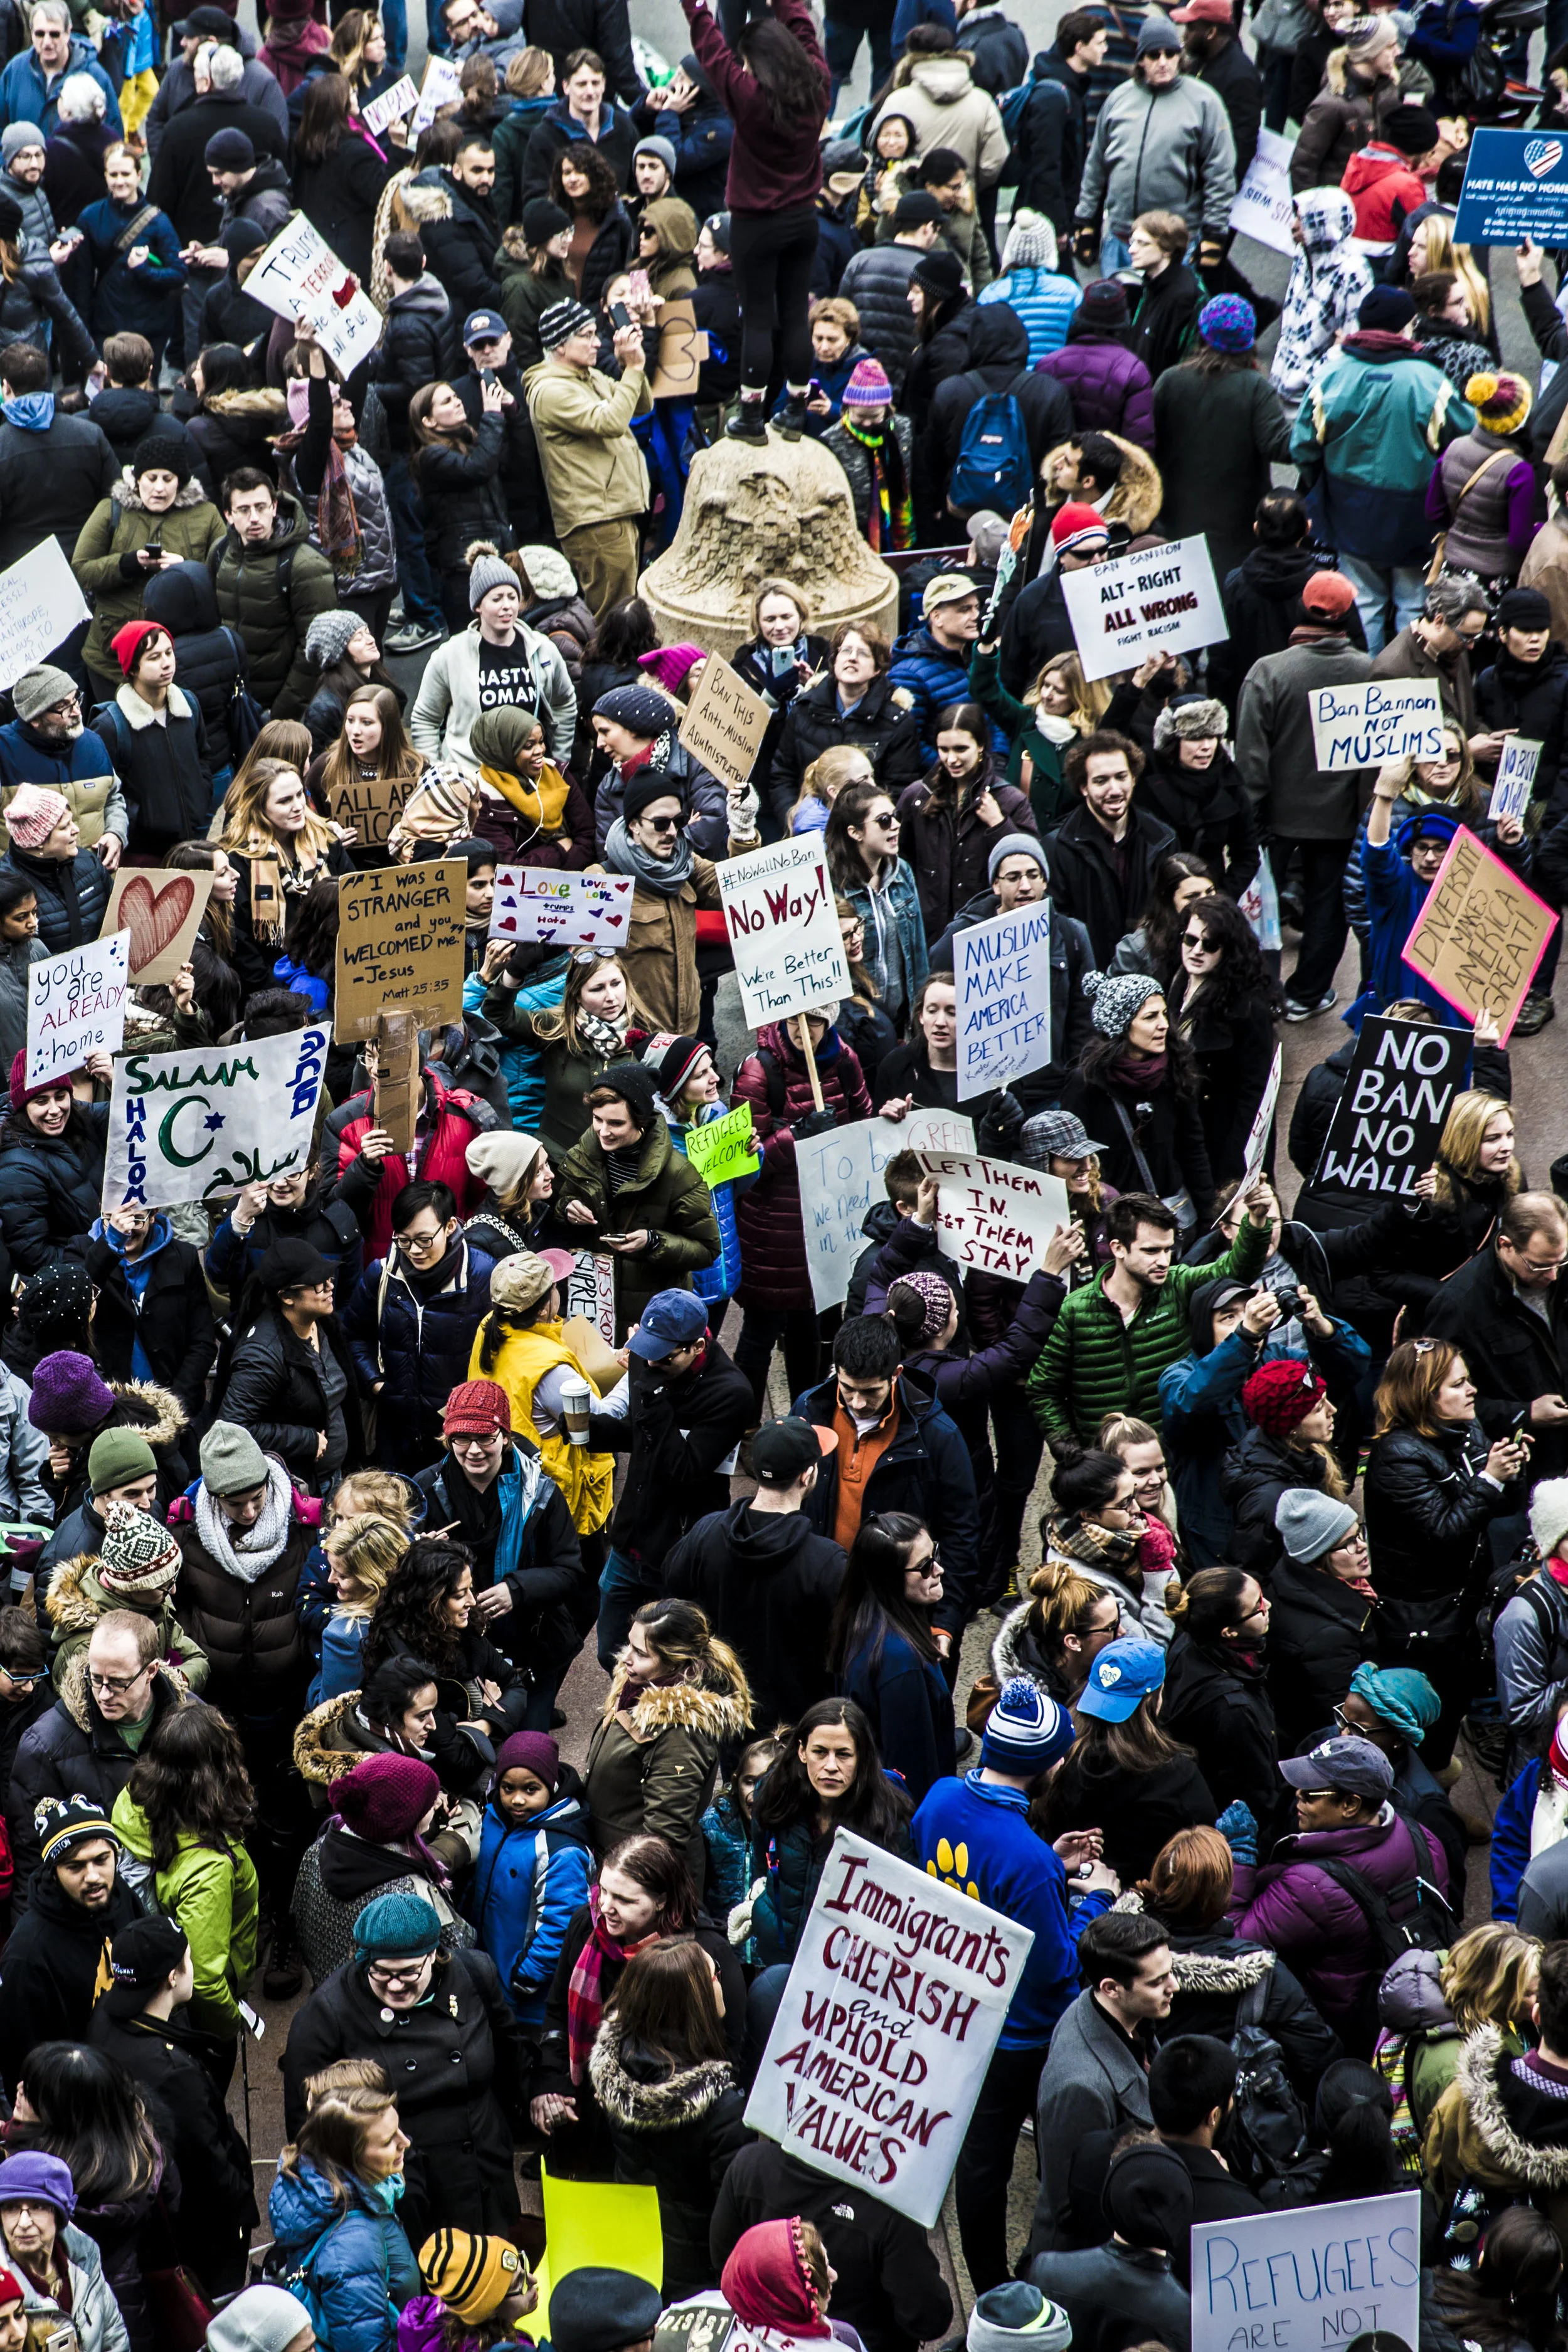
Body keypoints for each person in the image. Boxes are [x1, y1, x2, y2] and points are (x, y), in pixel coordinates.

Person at [282, 1892, 527, 2242]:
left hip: (483, 2173)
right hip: (404, 2190)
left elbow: (510, 2049)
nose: (395, 1985)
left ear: (435, 1955)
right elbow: (307, 2127)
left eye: (409, 1972)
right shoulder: (327, 2014)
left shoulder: (474, 1973)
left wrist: (540, 2092)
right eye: (381, 1972)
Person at [675, 0, 829, 446]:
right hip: (803, 219)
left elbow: (710, 48)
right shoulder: (818, 83)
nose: (743, 68)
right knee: (796, 315)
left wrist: (695, 6)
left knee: (758, 320)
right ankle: (796, 409)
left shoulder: (749, 99)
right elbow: (802, 26)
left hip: (754, 225)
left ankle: (750, 415)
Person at [1236, 1732, 1450, 2049]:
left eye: (1312, 1793)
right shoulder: (1424, 1838)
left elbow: (1237, 1944)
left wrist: (1237, 1861)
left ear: (1350, 1805)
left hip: (1339, 2029)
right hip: (1405, 2003)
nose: (1298, 1795)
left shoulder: (1309, 1888)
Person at [90, 1914, 256, 2299]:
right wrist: (242, 2208)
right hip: (199, 2244)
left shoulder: (105, 2018)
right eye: (189, 1959)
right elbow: (209, 2166)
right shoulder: (173, 2073)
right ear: (171, 1977)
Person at [1234, 567, 1374, 1020]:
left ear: (1301, 609)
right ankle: (1307, 995)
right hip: (1340, 820)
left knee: (1256, 910)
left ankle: (1255, 995)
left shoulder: (1269, 672)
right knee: (1327, 910)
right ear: (1347, 617)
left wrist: (1250, 815)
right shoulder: (1371, 672)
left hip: (1274, 820)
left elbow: (1250, 759)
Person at [797, 1315, 980, 1650]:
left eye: (870, 1392)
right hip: (823, 1597)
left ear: (896, 1374)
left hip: (898, 1611)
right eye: (847, 1388)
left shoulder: (938, 1436)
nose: (857, 1403)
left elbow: (961, 1533)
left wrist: (944, 1622)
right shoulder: (810, 1410)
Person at [662, 1418, 846, 1737]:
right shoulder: (828, 1561)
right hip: (796, 1728)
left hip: (722, 1713)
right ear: (807, 1475)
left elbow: (673, 1588)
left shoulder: (706, 1532)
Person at [588, 1939, 749, 2301]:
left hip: (635, 2252)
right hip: (697, 2280)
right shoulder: (722, 2111)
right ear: (693, 2000)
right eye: (715, 1976)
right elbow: (732, 2217)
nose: (721, 1981)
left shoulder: (617, 2070)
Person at [8, 1614, 193, 1897]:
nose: (104, 1694)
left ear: (151, 1671)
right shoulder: (45, 1746)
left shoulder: (192, 1726)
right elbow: (33, 1864)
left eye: (118, 1682)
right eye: (96, 1679)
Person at [108, 1703, 257, 2049]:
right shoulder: (209, 1868)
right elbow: (203, 1981)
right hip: (196, 2022)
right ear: (221, 1770)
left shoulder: (131, 1801)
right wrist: (228, 2028)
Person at [1027, 1911, 1176, 2253]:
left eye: (1170, 1972)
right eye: (1157, 1982)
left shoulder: (1110, 2010)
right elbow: (1074, 2207)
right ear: (1111, 1988)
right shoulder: (1081, 2087)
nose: (1174, 1986)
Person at [585, 1596, 750, 1883]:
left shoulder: (682, 1733)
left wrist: (625, 1890)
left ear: (678, 1663)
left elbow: (663, 1840)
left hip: (640, 1882)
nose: (626, 1659)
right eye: (629, 1645)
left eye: (641, 1653)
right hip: (615, 1866)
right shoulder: (635, 1689)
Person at [268, 2069, 421, 2346]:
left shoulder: (338, 2191)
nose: (406, 2142)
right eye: (388, 2141)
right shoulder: (352, 2243)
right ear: (351, 2157)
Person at [1073, 16, 1234, 275]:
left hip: (1172, 245)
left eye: (1170, 54)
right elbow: (1096, 166)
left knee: (1169, 304)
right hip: (1121, 240)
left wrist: (1214, 234)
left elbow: (1220, 174)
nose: (1163, 62)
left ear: (1179, 57)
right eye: (1154, 55)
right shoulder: (1119, 99)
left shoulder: (1205, 102)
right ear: (1140, 60)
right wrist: (1086, 219)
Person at [70, 435, 223, 709]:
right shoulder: (111, 510)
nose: (159, 488)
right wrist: (126, 564)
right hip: (110, 657)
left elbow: (224, 575)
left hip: (176, 659)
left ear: (181, 481)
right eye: (151, 478)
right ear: (137, 479)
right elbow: (82, 569)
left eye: (168, 479)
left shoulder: (207, 515)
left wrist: (186, 569)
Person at [521, 296, 649, 621]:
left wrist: (629, 366)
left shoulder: (588, 376)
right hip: (595, 520)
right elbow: (612, 422)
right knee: (612, 621)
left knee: (623, 615)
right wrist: (633, 369)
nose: (598, 343)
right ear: (561, 345)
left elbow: (641, 405)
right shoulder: (551, 391)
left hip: (613, 511)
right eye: (588, 335)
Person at [0, 1796, 140, 2091]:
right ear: (53, 1873)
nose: (93, 1877)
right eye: (75, 1867)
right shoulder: (28, 1954)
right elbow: (24, 2067)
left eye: (101, 1860)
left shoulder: (121, 1896)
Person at [822, 1513, 952, 1804]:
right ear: (889, 1579)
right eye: (925, 1566)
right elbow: (912, 1770)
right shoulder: (900, 1661)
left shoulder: (861, 1620)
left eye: (935, 1554)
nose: (938, 1569)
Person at [1046, 733, 1179, 969]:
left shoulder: (1163, 839)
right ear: (1084, 787)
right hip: (1090, 978)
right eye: (1101, 781)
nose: (1115, 790)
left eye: (1121, 777)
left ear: (1134, 778)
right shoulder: (1057, 848)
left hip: (1151, 977)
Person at [1265, 1491, 1380, 1749]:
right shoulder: (1328, 1637)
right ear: (1318, 1556)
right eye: (1349, 1543)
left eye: (1359, 1533)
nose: (1362, 1546)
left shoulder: (1291, 1576)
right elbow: (1344, 1716)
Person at [0, 2149, 133, 2352]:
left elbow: (115, 2338)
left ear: (59, 2214)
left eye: (38, 2207)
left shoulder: (85, 2259)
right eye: (11, 2208)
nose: (24, 2223)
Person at [0, 1047, 108, 1278]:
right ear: (23, 1106)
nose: (55, 1110)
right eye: (41, 1101)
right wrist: (106, 1254)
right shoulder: (16, 1169)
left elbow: (137, 1120)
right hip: (84, 1277)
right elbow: (34, 1257)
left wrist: (114, 1082)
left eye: (60, 1096)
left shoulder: (81, 1117)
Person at [0, 666, 126, 860]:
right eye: (64, 706)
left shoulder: (93, 743)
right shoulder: (4, 751)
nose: (76, 711)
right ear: (35, 718)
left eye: (76, 699)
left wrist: (115, 833)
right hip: (27, 879)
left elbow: (113, 799)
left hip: (96, 875)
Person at [0, 781, 114, 957]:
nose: (76, 830)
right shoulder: (6, 883)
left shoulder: (89, 863)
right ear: (39, 840)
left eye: (72, 822)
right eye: (64, 827)